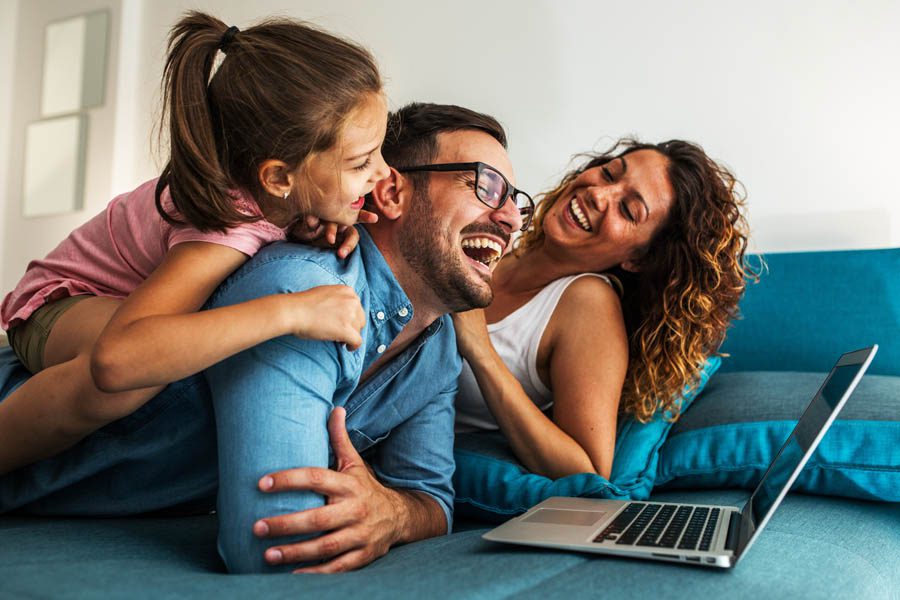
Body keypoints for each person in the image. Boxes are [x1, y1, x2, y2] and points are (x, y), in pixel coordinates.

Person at [0, 102, 530, 574]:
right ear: (391, 190)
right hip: (47, 355)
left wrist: (393, 513)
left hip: (100, 492)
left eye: (518, 202)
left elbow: (433, 500)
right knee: (115, 365)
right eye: (485, 185)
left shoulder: (436, 349)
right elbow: (273, 541)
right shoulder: (300, 288)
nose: (509, 217)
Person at [0, 12, 391, 476]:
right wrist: (294, 312)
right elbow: (116, 359)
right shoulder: (225, 228)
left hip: (122, 298)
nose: (384, 173)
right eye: (362, 162)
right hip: (58, 303)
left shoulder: (277, 198)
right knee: (132, 379)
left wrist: (311, 221)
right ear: (279, 178)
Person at [453, 139, 752, 480]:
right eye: (609, 174)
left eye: (628, 210)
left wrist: (481, 351)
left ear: (638, 258)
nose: (599, 194)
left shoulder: (587, 303)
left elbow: (590, 470)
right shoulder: (501, 235)